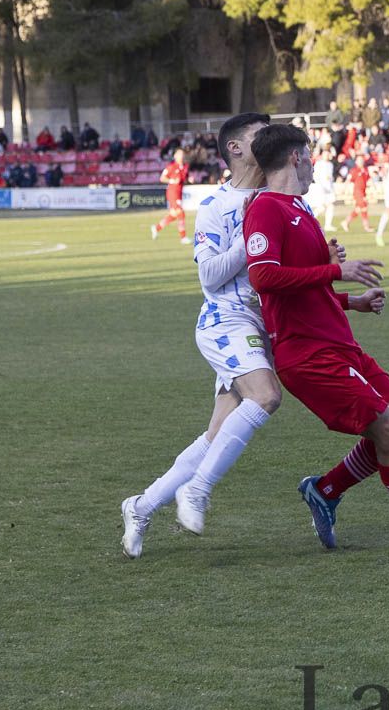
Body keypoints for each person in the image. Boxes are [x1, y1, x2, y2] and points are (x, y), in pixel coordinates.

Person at [243, 123, 389, 555]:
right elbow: (263, 276)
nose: (312, 163)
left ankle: (325, 490)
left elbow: (304, 287)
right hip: (307, 354)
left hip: (339, 343)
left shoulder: (299, 209)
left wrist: (350, 301)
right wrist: (334, 271)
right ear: (295, 157)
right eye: (308, 154)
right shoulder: (266, 209)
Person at [121, 113, 283, 558]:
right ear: (235, 148)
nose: (268, 140)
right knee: (266, 396)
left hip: (262, 323)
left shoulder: (277, 195)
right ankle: (196, 492)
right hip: (226, 319)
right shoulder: (217, 206)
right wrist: (247, 235)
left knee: (214, 437)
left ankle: (140, 505)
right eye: (257, 135)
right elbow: (211, 276)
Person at [151, 148, 190, 243]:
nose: (182, 156)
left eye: (182, 154)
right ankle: (183, 237)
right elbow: (162, 178)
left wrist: (190, 180)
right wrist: (172, 181)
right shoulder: (171, 167)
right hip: (172, 192)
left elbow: (185, 179)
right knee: (180, 212)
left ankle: (156, 228)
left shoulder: (185, 167)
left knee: (173, 215)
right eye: (179, 154)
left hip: (179, 193)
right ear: (175, 156)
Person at [306, 148, 338, 232]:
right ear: (322, 155)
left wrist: (332, 188)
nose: (327, 156)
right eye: (325, 154)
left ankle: (328, 225)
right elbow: (316, 176)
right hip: (321, 188)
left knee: (330, 206)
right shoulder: (319, 164)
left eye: (328, 154)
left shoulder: (330, 164)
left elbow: (330, 177)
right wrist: (320, 186)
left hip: (329, 188)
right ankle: (310, 220)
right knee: (322, 207)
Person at [341, 154, 372, 232]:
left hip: (363, 192)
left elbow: (368, 180)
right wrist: (344, 189)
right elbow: (348, 180)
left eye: (362, 160)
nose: (361, 162)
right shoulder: (354, 170)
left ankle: (345, 222)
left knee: (358, 209)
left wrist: (372, 187)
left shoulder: (365, 170)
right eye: (359, 160)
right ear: (356, 162)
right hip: (358, 192)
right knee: (364, 207)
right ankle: (366, 226)